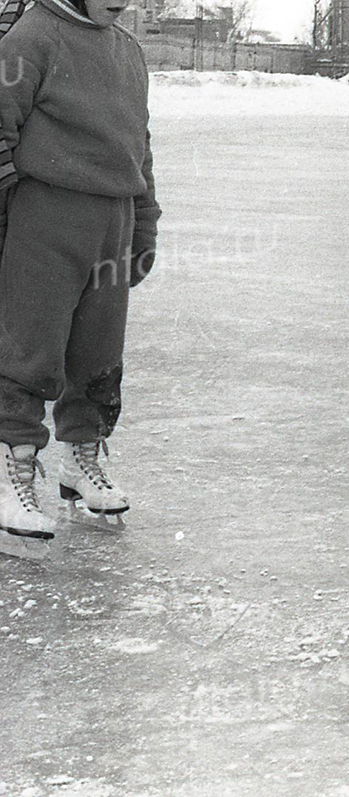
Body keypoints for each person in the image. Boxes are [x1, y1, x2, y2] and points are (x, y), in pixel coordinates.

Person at [0, 0, 160, 543]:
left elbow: (140, 147)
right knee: (29, 346)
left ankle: (79, 461)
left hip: (112, 217)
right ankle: (11, 469)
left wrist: (144, 225)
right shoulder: (34, 36)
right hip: (45, 213)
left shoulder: (129, 50)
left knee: (98, 351)